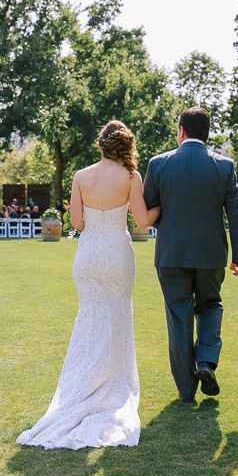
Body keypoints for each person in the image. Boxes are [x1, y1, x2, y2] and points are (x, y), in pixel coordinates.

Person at [17, 120, 160, 450]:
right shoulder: (130, 177)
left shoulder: (81, 176)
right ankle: (109, 389)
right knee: (117, 319)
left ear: (100, 145)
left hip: (89, 254)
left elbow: (77, 223)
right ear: (125, 146)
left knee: (90, 321)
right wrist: (161, 205)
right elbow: (142, 220)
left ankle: (83, 389)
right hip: (117, 254)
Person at [142, 107, 238, 403]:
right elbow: (236, 214)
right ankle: (205, 362)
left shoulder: (159, 164)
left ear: (181, 131)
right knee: (210, 305)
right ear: (207, 133)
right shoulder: (224, 166)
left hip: (171, 254)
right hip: (211, 254)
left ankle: (187, 389)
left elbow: (148, 209)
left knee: (179, 317)